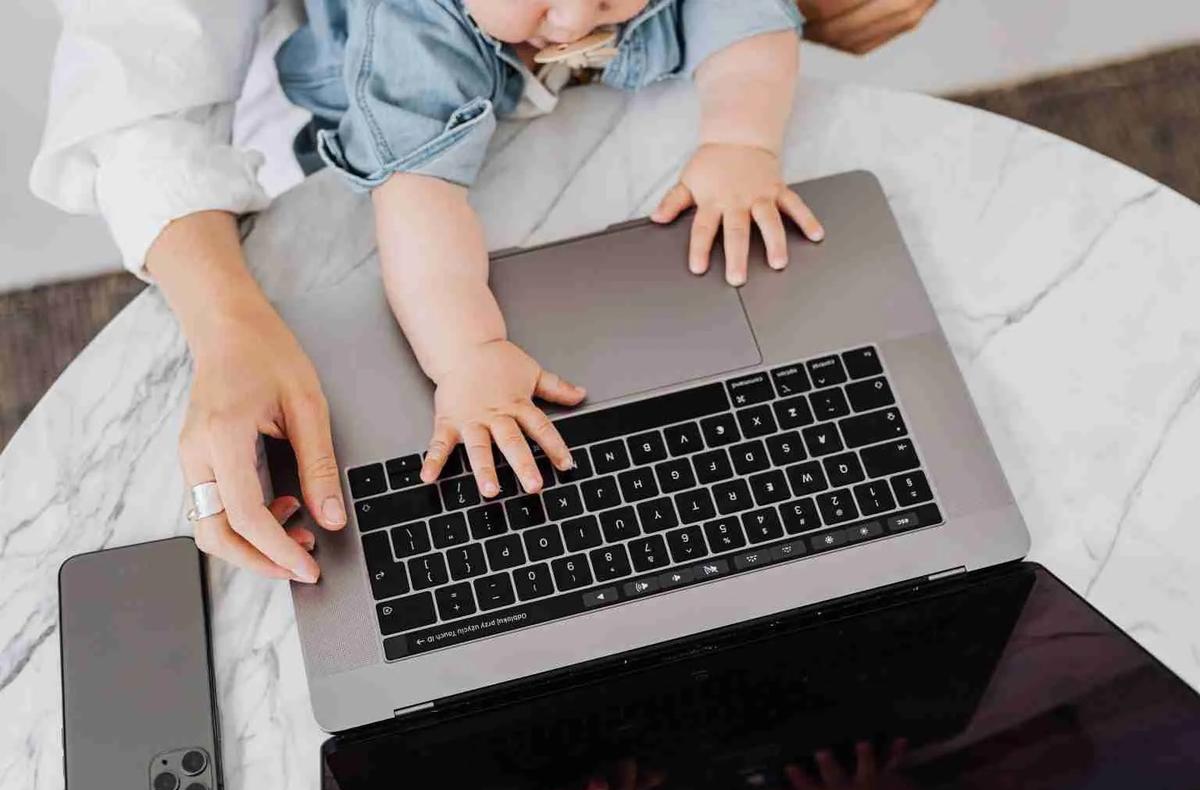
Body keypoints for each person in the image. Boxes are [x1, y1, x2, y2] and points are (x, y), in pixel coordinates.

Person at [31, 0, 936, 584]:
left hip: (611, 157)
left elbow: (751, 27)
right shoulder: (414, 35)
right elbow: (417, 204)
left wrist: (740, 144)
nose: (577, 17)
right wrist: (468, 355)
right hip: (346, 183)